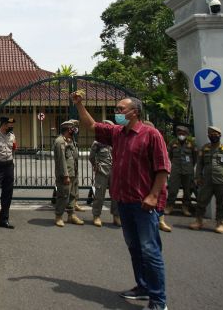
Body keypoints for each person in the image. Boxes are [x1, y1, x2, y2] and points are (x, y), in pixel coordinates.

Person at [72, 92, 170, 310]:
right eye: (116, 110)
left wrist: (154, 196)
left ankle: (159, 300)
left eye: (120, 109)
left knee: (150, 251)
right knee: (134, 247)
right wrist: (79, 105)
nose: (117, 113)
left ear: (134, 112)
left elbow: (163, 168)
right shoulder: (118, 133)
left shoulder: (151, 135)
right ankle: (142, 286)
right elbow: (92, 126)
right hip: (124, 201)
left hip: (144, 203)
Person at [189, 126, 223, 234]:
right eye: (211, 135)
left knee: (222, 203)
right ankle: (199, 221)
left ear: (220, 135)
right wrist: (198, 177)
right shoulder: (205, 148)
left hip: (222, 182)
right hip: (207, 181)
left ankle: (220, 223)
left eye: (215, 134)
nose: (213, 136)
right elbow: (200, 164)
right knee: (201, 201)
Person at [89, 120, 120, 227]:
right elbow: (91, 157)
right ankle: (96, 215)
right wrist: (96, 165)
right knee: (99, 195)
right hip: (102, 171)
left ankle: (116, 216)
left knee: (116, 195)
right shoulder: (97, 143)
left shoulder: (116, 141)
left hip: (115, 172)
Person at [53, 121, 84, 227]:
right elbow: (61, 160)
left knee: (72, 195)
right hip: (65, 175)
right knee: (63, 196)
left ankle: (71, 215)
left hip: (73, 173)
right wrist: (65, 176)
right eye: (73, 128)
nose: (75, 130)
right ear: (68, 129)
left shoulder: (71, 140)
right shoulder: (60, 141)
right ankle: (59, 216)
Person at [166, 126, 197, 216]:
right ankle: (170, 206)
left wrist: (190, 166)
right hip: (176, 170)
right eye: (179, 133)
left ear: (187, 134)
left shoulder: (192, 144)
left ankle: (185, 207)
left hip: (188, 171)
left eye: (183, 133)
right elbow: (169, 155)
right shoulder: (172, 143)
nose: (181, 135)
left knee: (187, 191)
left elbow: (195, 158)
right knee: (172, 189)